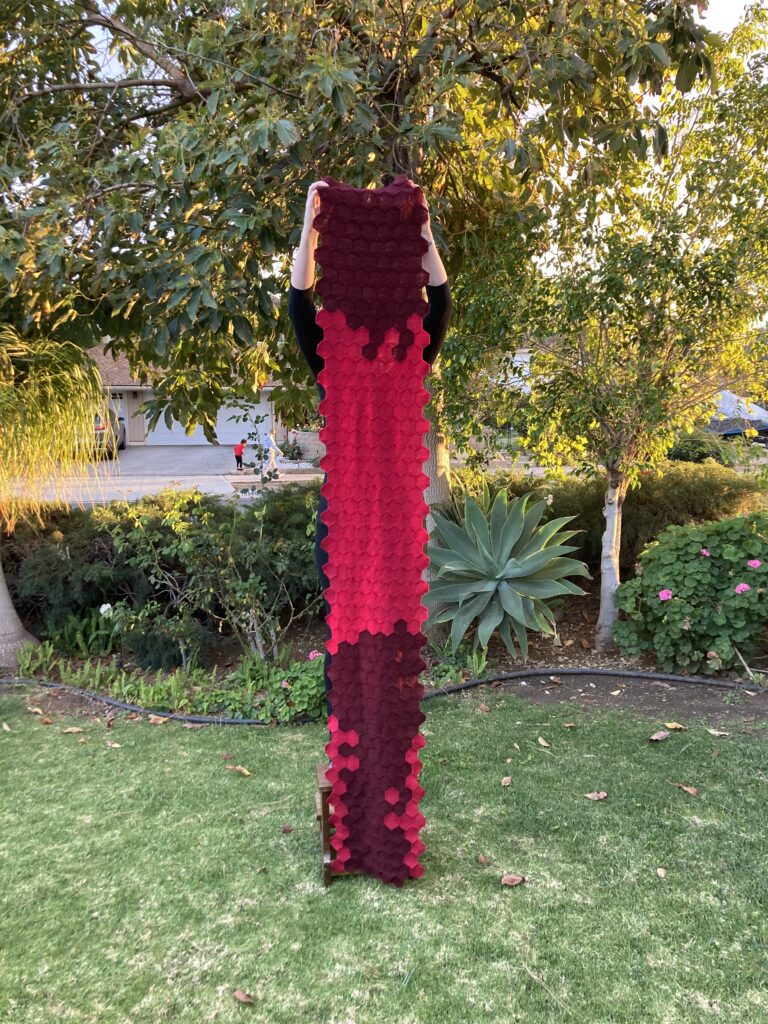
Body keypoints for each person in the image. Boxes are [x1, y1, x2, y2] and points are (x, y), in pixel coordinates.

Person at [287, 174, 453, 707]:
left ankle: (385, 729)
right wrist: (311, 226)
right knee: (348, 636)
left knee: (396, 630)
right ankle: (353, 733)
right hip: (344, 526)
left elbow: (442, 299)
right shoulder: (331, 360)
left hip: (397, 524)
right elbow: (298, 303)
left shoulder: (411, 358)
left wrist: (421, 228)